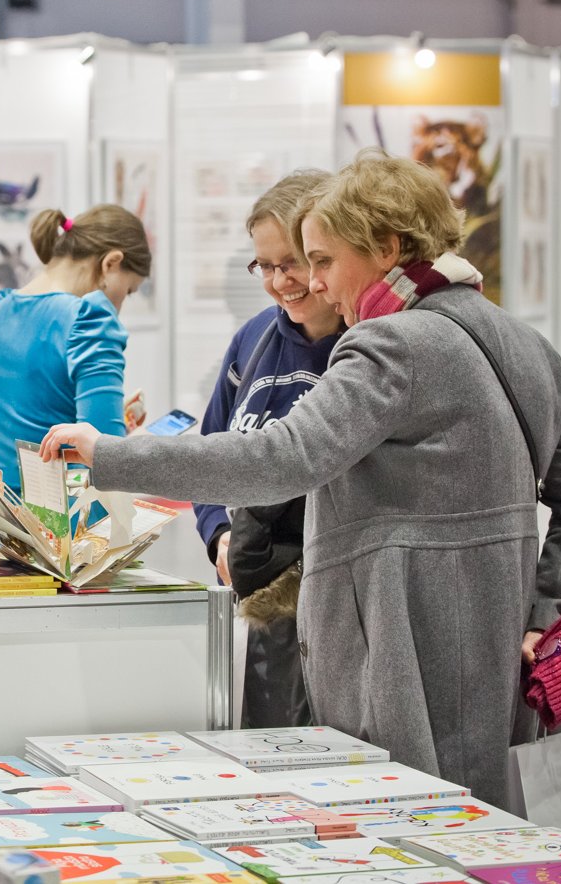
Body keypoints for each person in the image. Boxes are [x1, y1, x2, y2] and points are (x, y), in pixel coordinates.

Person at [41, 149, 561, 808]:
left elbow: (281, 458)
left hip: (401, 662)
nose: (312, 283)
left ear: (389, 248)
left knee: (399, 834)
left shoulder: (391, 345)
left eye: (322, 259)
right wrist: (545, 615)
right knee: (482, 836)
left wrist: (112, 454)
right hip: (500, 667)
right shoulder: (523, 343)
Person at [193, 170, 343, 728]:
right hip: (255, 600)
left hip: (330, 604)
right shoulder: (254, 337)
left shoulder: (367, 345)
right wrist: (220, 536)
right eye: (266, 266)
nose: (281, 281)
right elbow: (211, 455)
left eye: (294, 263)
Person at [0, 205, 151, 493]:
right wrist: (134, 441)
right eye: (129, 289)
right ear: (111, 263)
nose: (121, 304)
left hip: (4, 525)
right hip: (76, 531)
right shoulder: (90, 322)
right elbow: (108, 464)